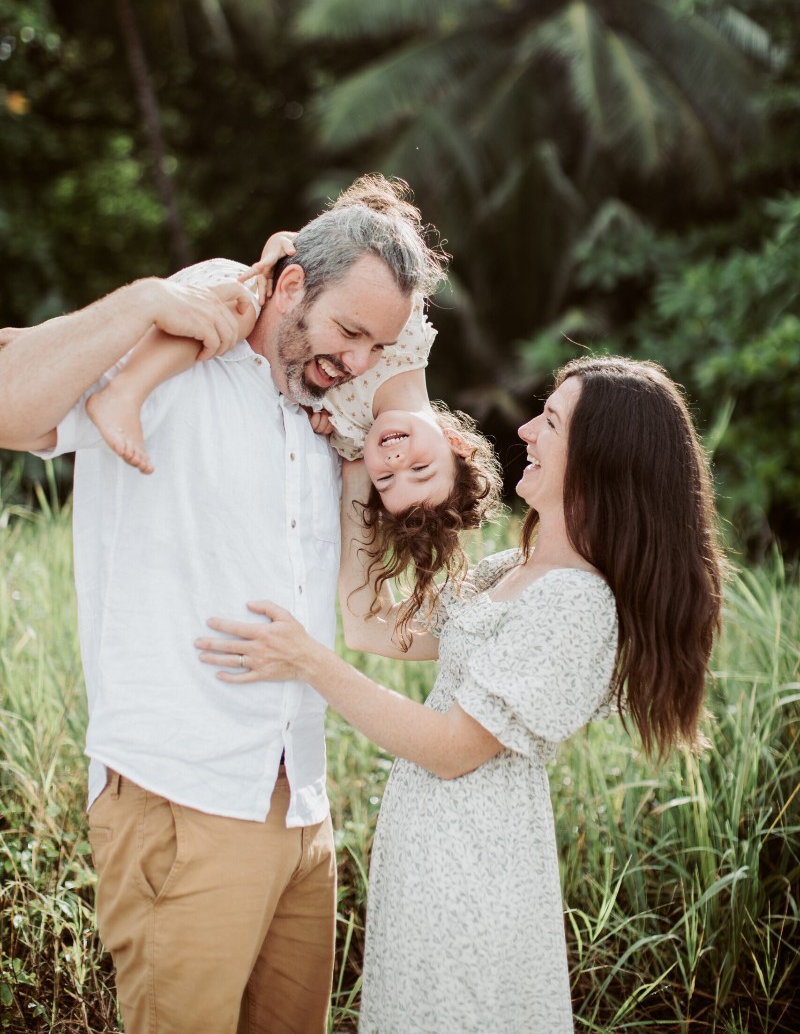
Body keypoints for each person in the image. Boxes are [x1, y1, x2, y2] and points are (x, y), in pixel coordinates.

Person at [1, 174, 445, 1034]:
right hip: (181, 797)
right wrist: (144, 301)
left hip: (301, 804)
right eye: (348, 332)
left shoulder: (332, 413)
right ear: (290, 285)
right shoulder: (175, 354)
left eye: (375, 346)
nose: (356, 361)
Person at [196, 355, 725, 1034]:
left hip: (475, 873)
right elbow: (371, 626)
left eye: (551, 422)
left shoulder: (576, 603)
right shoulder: (514, 571)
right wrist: (356, 471)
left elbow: (452, 749)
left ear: (603, 458)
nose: (526, 429)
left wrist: (305, 661)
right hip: (427, 859)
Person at [79, 242, 502, 627]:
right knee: (242, 305)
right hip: (263, 297)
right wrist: (283, 244)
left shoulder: (347, 436)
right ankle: (126, 390)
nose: (394, 464)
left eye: (387, 480)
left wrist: (322, 414)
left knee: (236, 314)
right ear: (456, 442)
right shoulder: (405, 333)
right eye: (421, 469)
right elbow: (351, 256)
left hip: (260, 338)